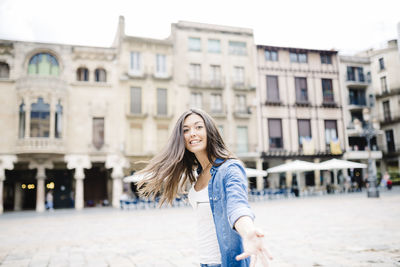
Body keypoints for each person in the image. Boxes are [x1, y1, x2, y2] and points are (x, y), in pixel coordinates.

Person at [138, 108, 272, 267]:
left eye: (198, 127)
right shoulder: (198, 174)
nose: (192, 133)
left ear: (210, 131)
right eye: (186, 130)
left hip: (226, 262)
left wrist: (248, 231)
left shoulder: (229, 169)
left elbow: (237, 206)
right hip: (205, 261)